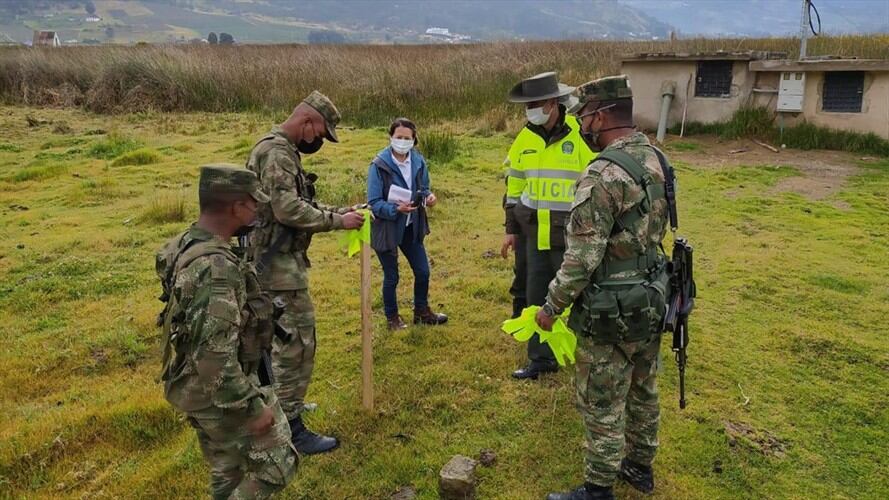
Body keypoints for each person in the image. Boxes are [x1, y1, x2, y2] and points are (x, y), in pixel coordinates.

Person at [537, 76, 673, 500]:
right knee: (644, 385)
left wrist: (550, 307)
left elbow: (580, 260)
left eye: (583, 118)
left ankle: (598, 488)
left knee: (601, 397)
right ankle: (640, 466)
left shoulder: (602, 174)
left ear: (600, 115)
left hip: (609, 307)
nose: (581, 126)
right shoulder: (657, 157)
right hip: (653, 295)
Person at [156, 165, 297, 499]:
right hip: (219, 390)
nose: (258, 211)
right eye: (254, 204)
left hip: (195, 383)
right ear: (236, 207)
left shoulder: (189, 241)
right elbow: (214, 356)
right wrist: (251, 407)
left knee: (228, 467)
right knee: (279, 464)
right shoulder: (216, 270)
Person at [245, 91, 365, 455]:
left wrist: (340, 210)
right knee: (296, 343)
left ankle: (282, 407)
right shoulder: (277, 153)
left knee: (276, 343)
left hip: (276, 261)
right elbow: (287, 210)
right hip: (275, 266)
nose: (319, 142)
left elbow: (300, 203)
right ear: (308, 122)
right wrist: (337, 221)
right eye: (321, 134)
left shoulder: (278, 150)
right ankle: (290, 429)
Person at [504, 71, 596, 380]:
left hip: (574, 237)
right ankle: (541, 359)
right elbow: (513, 189)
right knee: (536, 299)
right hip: (535, 236)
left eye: (538, 103)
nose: (532, 109)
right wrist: (511, 231)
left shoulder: (580, 135)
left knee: (580, 298)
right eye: (528, 104)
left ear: (555, 103)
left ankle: (588, 357)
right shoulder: (524, 139)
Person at [367, 117, 447, 330]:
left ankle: (421, 311)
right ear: (390, 137)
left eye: (407, 138)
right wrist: (395, 209)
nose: (402, 141)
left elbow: (425, 188)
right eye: (398, 137)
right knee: (392, 276)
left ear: (414, 140)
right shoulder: (378, 165)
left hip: (412, 226)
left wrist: (429, 198)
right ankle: (392, 318)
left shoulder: (419, 162)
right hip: (387, 228)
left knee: (423, 271)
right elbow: (373, 203)